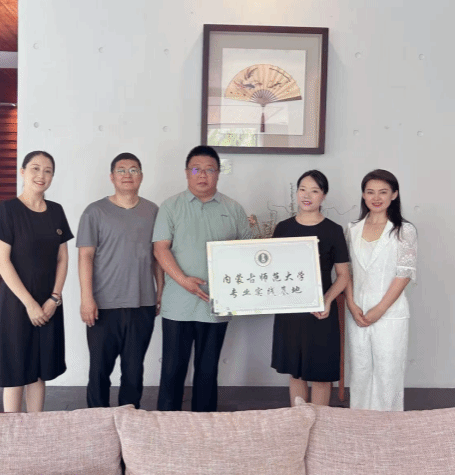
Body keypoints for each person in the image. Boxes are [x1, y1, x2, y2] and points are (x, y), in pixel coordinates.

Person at [153, 145, 252, 412]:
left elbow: (247, 253)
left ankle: (205, 428)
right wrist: (183, 280)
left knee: (208, 371)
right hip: (178, 304)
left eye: (210, 170)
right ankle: (167, 426)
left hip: (216, 304)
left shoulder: (233, 209)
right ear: (187, 173)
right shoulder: (170, 206)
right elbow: (160, 249)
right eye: (196, 169)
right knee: (172, 370)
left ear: (218, 173)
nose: (203, 175)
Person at [76, 152, 163, 408]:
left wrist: (160, 290)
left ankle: (129, 420)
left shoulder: (153, 211)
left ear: (141, 176)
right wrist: (86, 298)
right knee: (99, 370)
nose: (128, 175)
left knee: (134, 371)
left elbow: (157, 256)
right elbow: (85, 256)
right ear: (112, 177)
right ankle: (97, 421)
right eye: (121, 170)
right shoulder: (94, 212)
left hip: (142, 304)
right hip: (103, 306)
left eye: (133, 170)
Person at [0, 150, 73, 412]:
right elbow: (2, 261)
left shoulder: (56, 211)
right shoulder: (7, 210)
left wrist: (54, 298)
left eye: (48, 171)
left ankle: (35, 428)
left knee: (39, 370)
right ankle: (12, 432)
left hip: (49, 303)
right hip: (17, 303)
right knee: (16, 371)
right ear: (23, 172)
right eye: (35, 168)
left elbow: (62, 258)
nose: (41, 175)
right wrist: (30, 304)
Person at [271, 170, 350, 407]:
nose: (307, 195)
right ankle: (299, 422)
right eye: (303, 189)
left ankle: (320, 424)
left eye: (314, 191)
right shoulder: (282, 228)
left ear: (323, 196)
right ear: (296, 193)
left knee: (321, 375)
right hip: (291, 311)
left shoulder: (333, 230)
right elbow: (273, 271)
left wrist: (327, 300)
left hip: (321, 311)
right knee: (295, 373)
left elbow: (344, 275)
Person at [345, 169, 417, 411]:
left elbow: (404, 273)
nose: (376, 198)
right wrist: (351, 304)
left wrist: (380, 309)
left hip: (390, 311)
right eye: (370, 192)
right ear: (363, 195)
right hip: (357, 310)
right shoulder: (352, 229)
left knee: (388, 372)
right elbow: (347, 272)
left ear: (394, 194)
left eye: (383, 192)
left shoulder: (403, 230)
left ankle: (388, 427)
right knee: (360, 371)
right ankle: (360, 424)